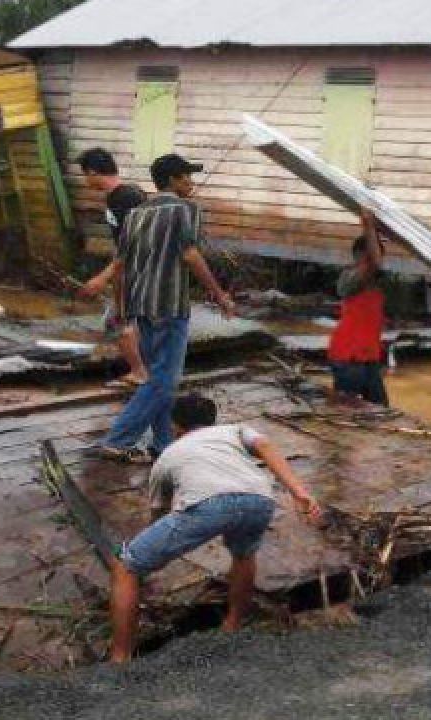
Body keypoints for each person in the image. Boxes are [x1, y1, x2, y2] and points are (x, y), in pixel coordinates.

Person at [109, 392, 322, 663]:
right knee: (244, 555)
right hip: (260, 499)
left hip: (208, 505)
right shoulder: (233, 431)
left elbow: (159, 512)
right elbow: (265, 445)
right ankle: (233, 625)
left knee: (125, 564)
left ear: (176, 427)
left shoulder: (167, 456)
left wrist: (149, 554)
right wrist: (298, 491)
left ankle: (120, 658)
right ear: (212, 420)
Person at [83, 153, 236, 460]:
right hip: (168, 303)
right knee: (164, 381)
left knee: (157, 376)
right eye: (185, 177)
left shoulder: (136, 214)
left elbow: (120, 261)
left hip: (142, 304)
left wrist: (106, 287)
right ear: (171, 180)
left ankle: (163, 444)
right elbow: (190, 255)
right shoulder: (186, 209)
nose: (190, 183)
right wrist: (219, 294)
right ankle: (119, 439)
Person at [77, 147, 149, 388]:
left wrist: (103, 277)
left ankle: (140, 373)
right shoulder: (126, 194)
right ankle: (142, 369)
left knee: (118, 322)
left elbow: (133, 244)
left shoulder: (123, 198)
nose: (86, 180)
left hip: (138, 269)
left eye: (85, 175)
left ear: (93, 172)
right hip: (132, 268)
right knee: (128, 320)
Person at [328, 209, 388, 406]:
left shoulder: (373, 281)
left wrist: (374, 229)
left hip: (367, 357)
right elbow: (376, 264)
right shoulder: (351, 278)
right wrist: (369, 226)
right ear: (362, 256)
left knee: (380, 411)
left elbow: (377, 264)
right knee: (348, 413)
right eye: (374, 252)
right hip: (348, 357)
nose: (381, 258)